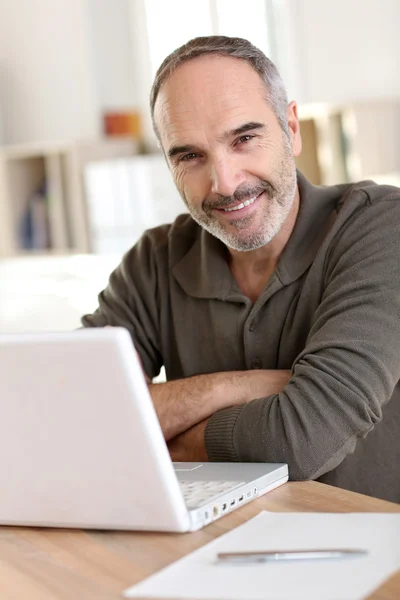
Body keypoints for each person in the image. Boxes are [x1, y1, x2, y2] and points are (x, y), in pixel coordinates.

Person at [82, 36, 400, 502]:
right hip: (213, 553)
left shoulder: (380, 227)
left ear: (291, 128)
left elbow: (300, 440)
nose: (225, 182)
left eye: (244, 139)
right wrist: (239, 386)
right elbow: (66, 420)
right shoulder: (154, 260)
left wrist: (157, 439)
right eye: (190, 155)